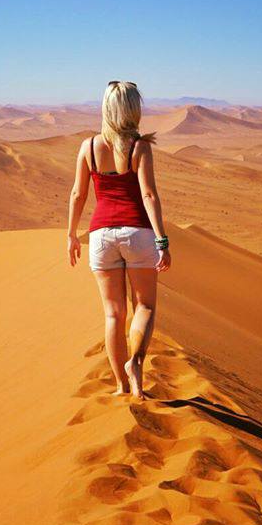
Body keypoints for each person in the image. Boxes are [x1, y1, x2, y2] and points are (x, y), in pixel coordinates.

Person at [67, 80, 171, 398]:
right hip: (137, 232)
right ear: (133, 110)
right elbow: (149, 194)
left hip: (100, 236)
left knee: (113, 314)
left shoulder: (88, 147)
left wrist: (71, 234)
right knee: (145, 306)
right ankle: (136, 363)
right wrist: (162, 240)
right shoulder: (140, 147)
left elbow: (78, 193)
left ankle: (120, 386)